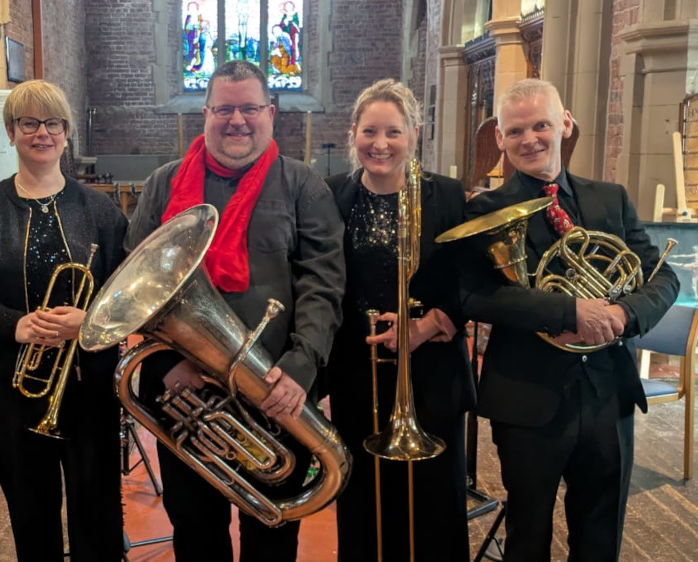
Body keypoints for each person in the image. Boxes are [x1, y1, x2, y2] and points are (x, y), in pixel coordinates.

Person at [125, 59, 345, 562]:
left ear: (271, 112)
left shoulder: (302, 185)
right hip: (185, 394)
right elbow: (136, 287)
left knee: (271, 532)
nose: (237, 121)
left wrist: (300, 366)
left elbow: (323, 283)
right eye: (225, 109)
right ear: (205, 113)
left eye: (249, 108)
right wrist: (165, 366)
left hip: (273, 392)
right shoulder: (164, 184)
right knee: (196, 528)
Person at [458, 78, 680, 561]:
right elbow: (473, 295)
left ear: (565, 123)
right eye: (515, 131)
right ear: (499, 138)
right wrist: (568, 310)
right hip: (527, 399)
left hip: (608, 393)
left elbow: (664, 279)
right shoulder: (484, 210)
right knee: (527, 536)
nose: (529, 139)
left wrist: (622, 312)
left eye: (541, 125)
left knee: (601, 533)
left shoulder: (610, 199)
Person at [0, 80, 127, 562]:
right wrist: (12, 325)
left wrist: (91, 318)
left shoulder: (100, 210)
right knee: (30, 509)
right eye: (29, 123)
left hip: (89, 385)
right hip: (10, 389)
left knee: (96, 509)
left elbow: (128, 290)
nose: (42, 133)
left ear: (67, 132)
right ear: (11, 132)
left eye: (53, 123)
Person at [324, 78, 474, 562]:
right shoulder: (333, 196)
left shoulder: (447, 196)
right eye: (369, 131)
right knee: (363, 495)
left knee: (434, 497)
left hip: (430, 372)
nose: (380, 144)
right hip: (358, 374)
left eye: (393, 132)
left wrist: (427, 325)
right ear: (353, 134)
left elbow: (471, 283)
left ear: (414, 133)